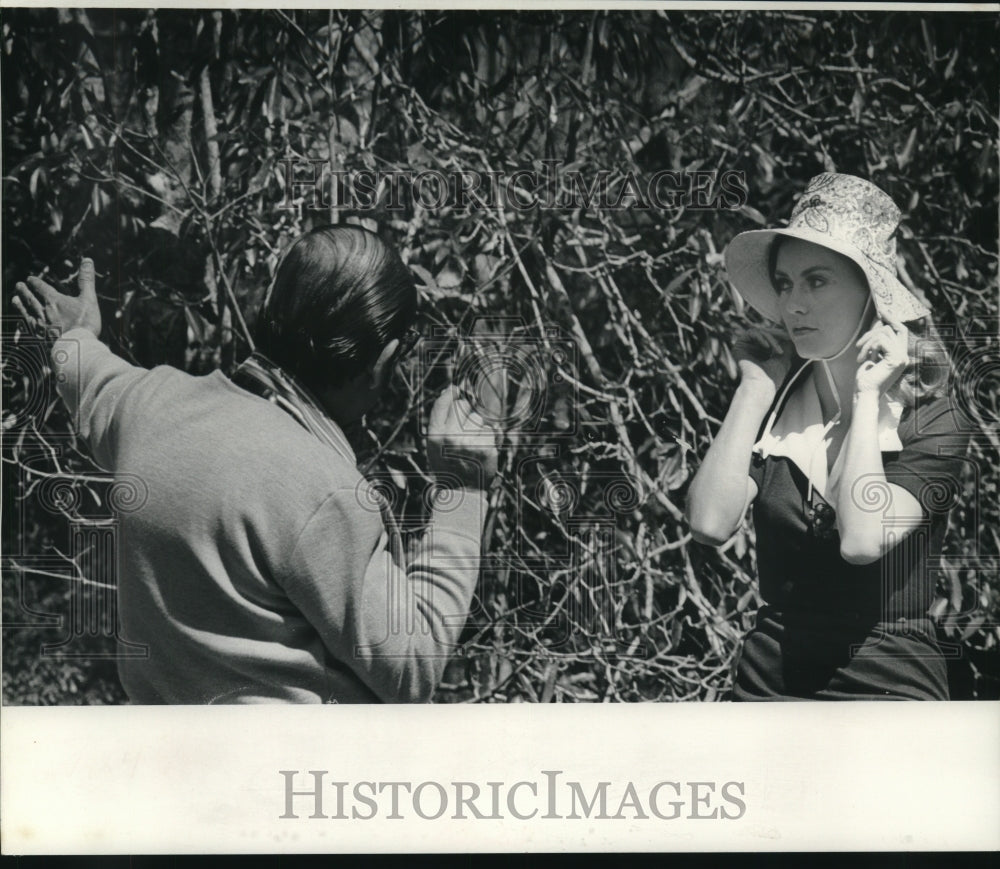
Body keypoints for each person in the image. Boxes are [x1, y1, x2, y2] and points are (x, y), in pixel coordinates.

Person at [13, 225, 498, 704]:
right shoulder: (321, 493)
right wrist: (465, 485)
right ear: (383, 359)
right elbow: (413, 664)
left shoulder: (151, 405)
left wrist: (74, 337)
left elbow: (95, 383)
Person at [686, 173, 969, 700]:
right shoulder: (776, 409)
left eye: (816, 281)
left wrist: (866, 397)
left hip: (885, 691)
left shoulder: (930, 417)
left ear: (870, 292)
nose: (793, 305)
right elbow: (708, 521)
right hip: (768, 687)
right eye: (785, 283)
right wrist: (753, 388)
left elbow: (862, 540)